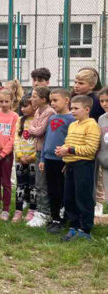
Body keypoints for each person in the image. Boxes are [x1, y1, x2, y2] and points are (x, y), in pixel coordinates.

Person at [56, 95, 100, 241]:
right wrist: (62, 151)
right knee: (70, 197)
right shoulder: (73, 125)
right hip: (70, 165)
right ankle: (74, 226)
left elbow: (91, 149)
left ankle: (85, 229)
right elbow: (68, 142)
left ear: (87, 109)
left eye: (76, 108)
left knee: (83, 197)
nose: (72, 111)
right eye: (72, 108)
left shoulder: (92, 125)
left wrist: (69, 150)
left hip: (84, 165)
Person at [39, 89, 75, 234]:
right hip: (49, 159)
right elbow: (47, 139)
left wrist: (67, 161)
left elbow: (72, 140)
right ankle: (54, 218)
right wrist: (42, 158)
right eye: (51, 100)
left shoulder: (72, 119)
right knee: (52, 190)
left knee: (62, 190)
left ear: (67, 100)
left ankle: (61, 218)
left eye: (55, 100)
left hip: (62, 161)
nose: (52, 103)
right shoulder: (52, 118)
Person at [72, 68, 105, 215]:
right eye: (75, 82)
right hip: (78, 143)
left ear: (91, 85)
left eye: (80, 83)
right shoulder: (76, 98)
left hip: (93, 144)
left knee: (94, 177)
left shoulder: (96, 100)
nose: (76, 85)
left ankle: (96, 204)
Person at [26, 86, 55, 227]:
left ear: (43, 99)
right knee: (38, 182)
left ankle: (45, 212)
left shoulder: (49, 112)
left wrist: (31, 130)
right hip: (38, 150)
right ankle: (40, 210)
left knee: (43, 183)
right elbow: (34, 127)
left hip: (46, 152)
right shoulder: (38, 110)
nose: (32, 99)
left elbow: (38, 130)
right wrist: (32, 130)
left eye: (34, 96)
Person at [0, 90, 19, 220]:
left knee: (6, 182)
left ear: (12, 101)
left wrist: (3, 154)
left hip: (6, 155)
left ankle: (5, 209)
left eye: (7, 101)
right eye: (1, 101)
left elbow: (13, 138)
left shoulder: (15, 117)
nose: (4, 104)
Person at [12, 96, 37, 222]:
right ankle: (18, 210)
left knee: (33, 186)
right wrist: (20, 155)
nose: (22, 109)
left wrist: (32, 157)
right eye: (21, 106)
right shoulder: (20, 120)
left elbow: (39, 142)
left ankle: (32, 210)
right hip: (20, 159)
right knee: (20, 185)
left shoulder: (38, 121)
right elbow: (16, 139)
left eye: (26, 106)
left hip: (33, 160)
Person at [96, 87, 108, 217]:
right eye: (102, 101)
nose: (104, 104)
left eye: (107, 101)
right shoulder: (101, 118)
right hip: (105, 163)